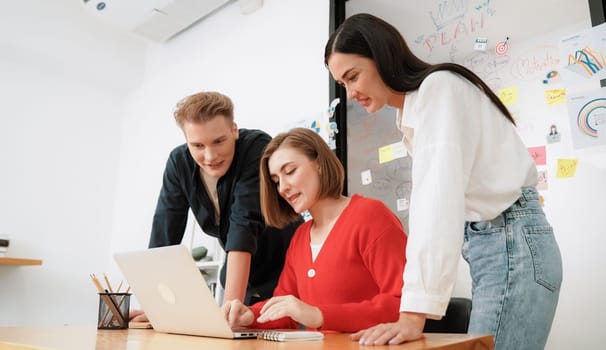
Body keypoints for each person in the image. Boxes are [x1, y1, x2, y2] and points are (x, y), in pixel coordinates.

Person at [324, 13, 563, 349]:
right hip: (501, 241)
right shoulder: (410, 111)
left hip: (511, 240)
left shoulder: (438, 89)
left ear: (382, 55)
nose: (350, 94)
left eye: (353, 77)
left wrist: (412, 314)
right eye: (343, 84)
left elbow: (436, 202)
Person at [131, 92, 299, 322]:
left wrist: (229, 310)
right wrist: (154, 308)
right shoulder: (178, 163)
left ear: (234, 130)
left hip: (287, 270)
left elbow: (244, 225)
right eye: (198, 145)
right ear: (186, 140)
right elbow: (163, 236)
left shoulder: (256, 148)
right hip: (243, 280)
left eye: (219, 141)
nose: (210, 156)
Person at [223, 127, 407, 332]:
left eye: (290, 171)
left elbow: (404, 303)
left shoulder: (370, 215)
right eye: (276, 181)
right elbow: (284, 309)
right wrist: (251, 315)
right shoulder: (301, 236)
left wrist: (317, 315)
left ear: (319, 164)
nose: (282, 187)